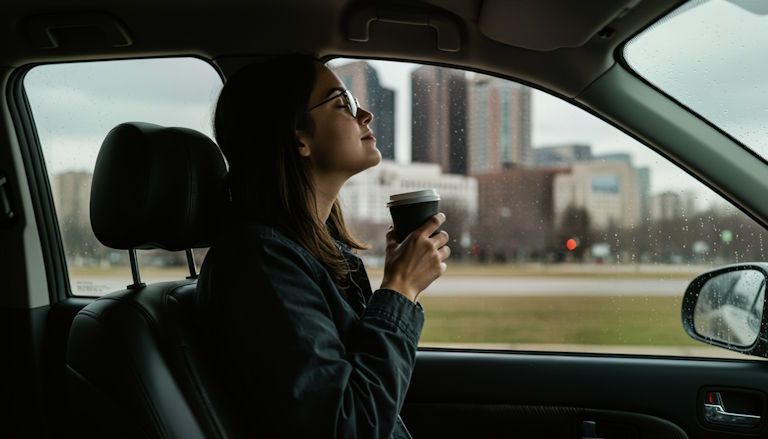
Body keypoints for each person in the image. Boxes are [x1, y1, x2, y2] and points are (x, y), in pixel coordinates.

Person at [197, 53, 451, 438]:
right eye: (342, 103)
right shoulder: (259, 262)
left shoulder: (308, 254)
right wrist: (400, 291)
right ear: (299, 138)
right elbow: (345, 426)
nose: (364, 114)